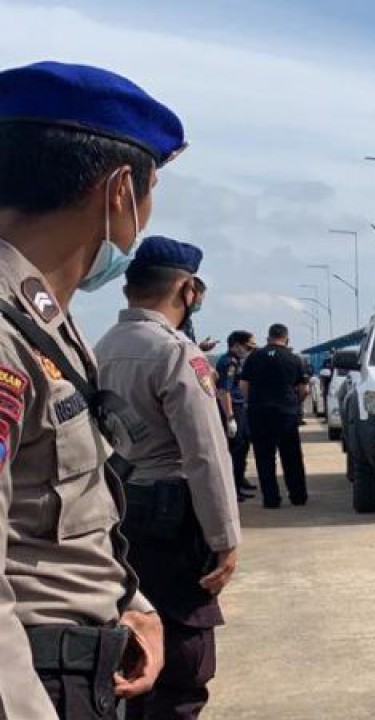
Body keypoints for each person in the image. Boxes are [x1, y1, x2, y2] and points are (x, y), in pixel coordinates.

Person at [0, 60, 183, 719]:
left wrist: (127, 603)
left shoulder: (44, 321)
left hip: (78, 661)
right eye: (151, 190)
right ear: (117, 195)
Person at [95, 236, 241, 719]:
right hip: (173, 517)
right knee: (184, 666)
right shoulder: (176, 352)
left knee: (137, 648)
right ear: (187, 290)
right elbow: (205, 453)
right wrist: (225, 538)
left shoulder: (101, 348)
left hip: (120, 509)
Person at [239, 324, 310, 509]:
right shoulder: (294, 359)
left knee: (264, 457)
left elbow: (243, 385)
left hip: (259, 412)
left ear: (268, 337)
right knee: (291, 456)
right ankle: (298, 496)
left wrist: (251, 403)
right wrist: (296, 403)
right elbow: (304, 389)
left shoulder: (254, 356)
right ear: (286, 337)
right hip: (285, 412)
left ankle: (271, 499)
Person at [216, 331, 257, 502]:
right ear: (237, 345)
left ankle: (239, 481)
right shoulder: (229, 363)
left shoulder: (237, 361)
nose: (249, 350)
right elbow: (224, 391)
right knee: (237, 449)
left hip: (239, 406)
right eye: (248, 347)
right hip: (233, 408)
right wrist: (230, 417)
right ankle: (234, 488)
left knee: (244, 445)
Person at [178, 277, 217, 352]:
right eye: (200, 300)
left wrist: (200, 348)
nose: (200, 303)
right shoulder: (178, 321)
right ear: (190, 294)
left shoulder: (187, 321)